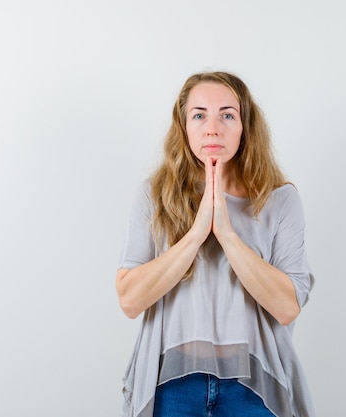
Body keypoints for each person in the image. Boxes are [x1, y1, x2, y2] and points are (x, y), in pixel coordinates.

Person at [115, 71, 315, 417]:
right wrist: (196, 234)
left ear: (244, 127)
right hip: (172, 386)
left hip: (254, 387)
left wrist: (226, 232)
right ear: (184, 127)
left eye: (227, 115)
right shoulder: (154, 195)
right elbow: (130, 300)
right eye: (199, 115)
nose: (212, 128)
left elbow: (287, 307)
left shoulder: (280, 200)